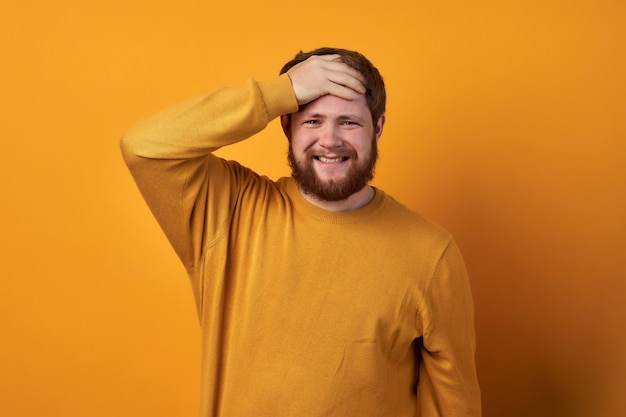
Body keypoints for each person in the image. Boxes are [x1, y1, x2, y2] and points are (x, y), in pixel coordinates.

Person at [121, 47, 481, 417]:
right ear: (286, 125)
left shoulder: (430, 253)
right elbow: (144, 147)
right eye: (312, 120)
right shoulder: (229, 209)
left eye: (349, 122)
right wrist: (280, 92)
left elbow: (453, 405)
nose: (330, 139)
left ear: (378, 128)